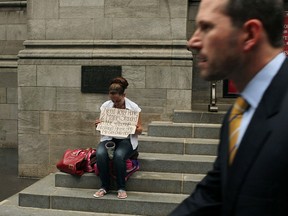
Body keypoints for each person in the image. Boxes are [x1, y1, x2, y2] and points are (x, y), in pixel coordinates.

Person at [169, 0, 288, 215]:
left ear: (250, 34)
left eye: (207, 28)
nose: (192, 42)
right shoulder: (237, 113)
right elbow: (213, 195)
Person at [93, 77, 143, 199]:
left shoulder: (134, 108)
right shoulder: (106, 106)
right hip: (109, 138)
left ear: (124, 95)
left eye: (118, 101)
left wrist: (135, 128)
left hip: (126, 140)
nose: (115, 103)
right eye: (113, 100)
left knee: (119, 156)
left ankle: (121, 187)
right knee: (100, 153)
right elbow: (101, 126)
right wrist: (99, 124)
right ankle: (104, 186)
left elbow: (140, 129)